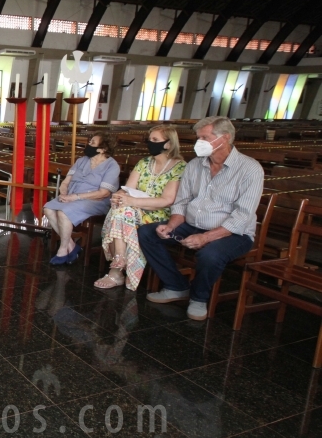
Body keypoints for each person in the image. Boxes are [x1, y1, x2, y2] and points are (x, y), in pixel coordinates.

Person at [138, 116, 263, 321]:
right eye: (198, 138)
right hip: (193, 224)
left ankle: (198, 298)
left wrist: (206, 238)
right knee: (148, 233)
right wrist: (171, 225)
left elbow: (242, 215)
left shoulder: (249, 169)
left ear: (225, 138)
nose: (199, 143)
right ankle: (176, 286)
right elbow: (182, 201)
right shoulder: (195, 165)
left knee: (210, 255)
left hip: (232, 233)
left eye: (204, 137)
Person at [96, 125, 186, 290]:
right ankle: (120, 260)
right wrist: (119, 195)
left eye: (155, 140)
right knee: (121, 209)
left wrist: (131, 201)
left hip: (160, 213)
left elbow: (167, 200)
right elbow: (128, 188)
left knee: (123, 211)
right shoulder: (144, 162)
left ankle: (117, 269)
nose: (150, 143)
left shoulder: (179, 167)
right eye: (149, 139)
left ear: (168, 144)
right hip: (134, 208)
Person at [44, 134, 120, 265]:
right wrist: (64, 193)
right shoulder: (81, 160)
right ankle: (72, 246)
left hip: (95, 200)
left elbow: (103, 193)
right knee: (48, 208)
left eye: (92, 142)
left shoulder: (112, 166)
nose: (88, 144)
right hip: (72, 197)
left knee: (63, 212)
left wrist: (75, 197)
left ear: (103, 149)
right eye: (89, 141)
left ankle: (63, 249)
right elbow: (65, 182)